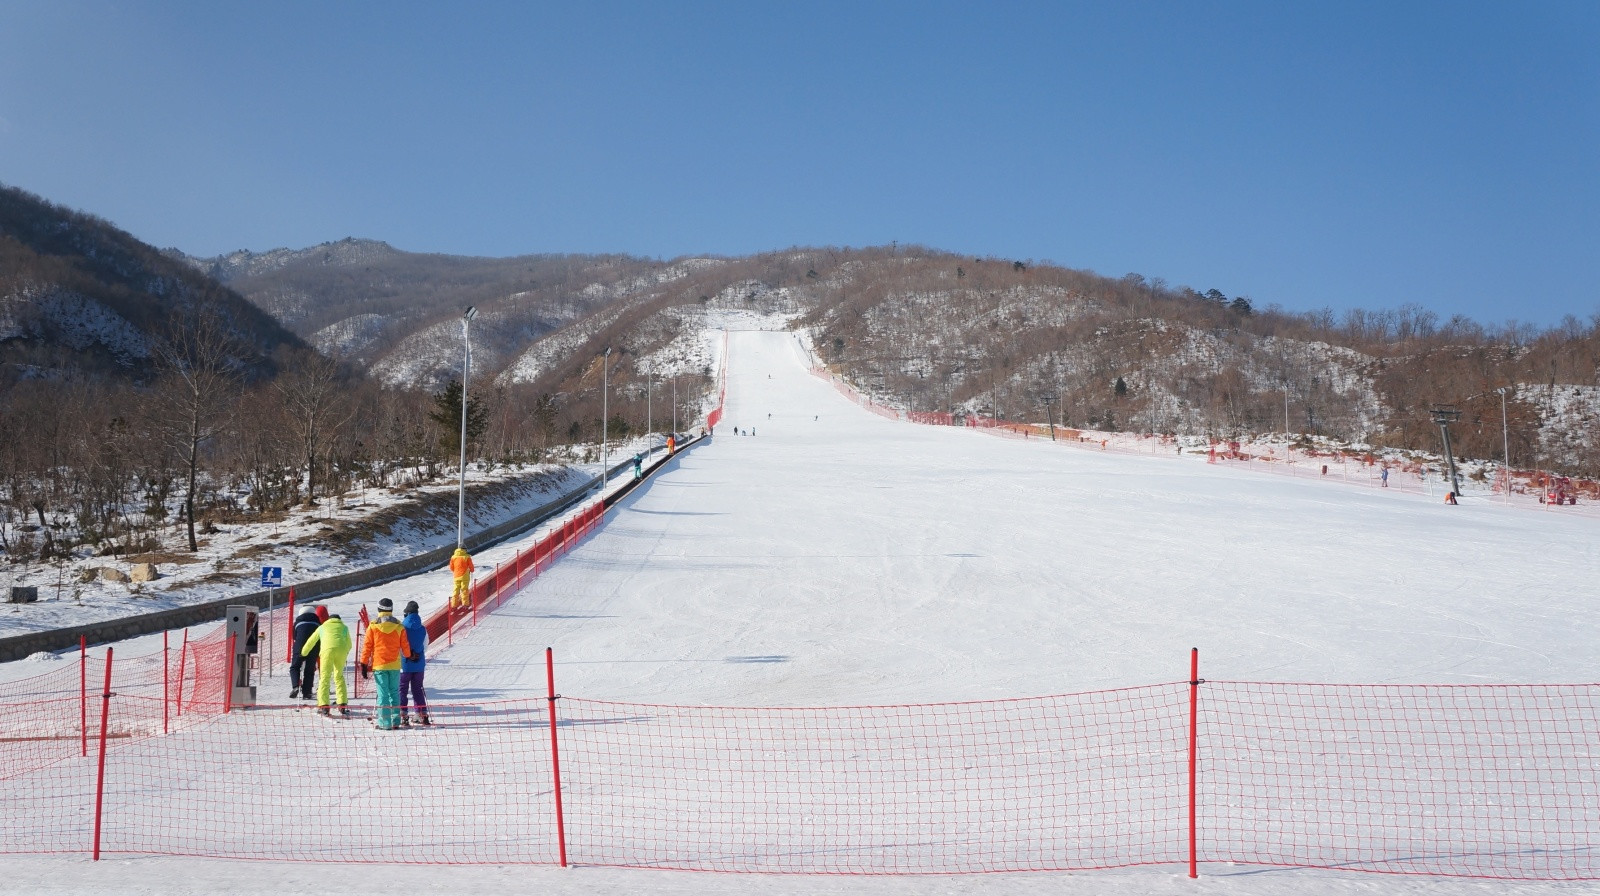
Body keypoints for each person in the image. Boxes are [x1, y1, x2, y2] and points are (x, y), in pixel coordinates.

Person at [358, 597, 415, 731]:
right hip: (394, 665)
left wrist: (364, 664)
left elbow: (367, 646)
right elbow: (405, 648)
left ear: (379, 609)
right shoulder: (399, 626)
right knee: (394, 693)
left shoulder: (373, 626)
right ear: (391, 610)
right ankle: (396, 721)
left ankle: (385, 722)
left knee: (382, 694)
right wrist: (409, 655)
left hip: (380, 665)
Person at [301, 612, 352, 716]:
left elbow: (311, 641)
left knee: (325, 677)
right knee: (339, 676)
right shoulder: (344, 628)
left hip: (327, 651)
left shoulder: (322, 627)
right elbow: (349, 644)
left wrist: (303, 653)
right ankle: (342, 703)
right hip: (341, 651)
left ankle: (324, 705)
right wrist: (345, 651)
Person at [399, 600, 430, 727]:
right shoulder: (423, 628)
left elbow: (399, 646)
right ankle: (422, 714)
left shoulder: (401, 627)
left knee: (402, 689)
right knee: (418, 689)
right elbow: (426, 645)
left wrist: (406, 655)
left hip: (404, 664)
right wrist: (418, 654)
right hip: (419, 664)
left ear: (406, 613)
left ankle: (403, 714)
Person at [289, 605, 322, 700]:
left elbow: (294, 637)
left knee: (295, 667)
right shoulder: (318, 623)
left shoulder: (297, 623)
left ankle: (295, 686)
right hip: (314, 647)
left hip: (299, 647)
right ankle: (307, 693)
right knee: (309, 670)